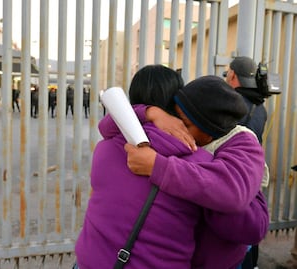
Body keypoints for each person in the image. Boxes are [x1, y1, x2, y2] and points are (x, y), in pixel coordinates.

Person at [75, 66, 268, 268]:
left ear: (209, 130)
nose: (183, 129)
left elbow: (249, 220)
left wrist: (157, 165)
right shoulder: (198, 160)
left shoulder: (106, 147)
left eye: (186, 123)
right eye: (178, 119)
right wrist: (151, 112)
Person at [224, 56, 271, 269]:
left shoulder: (232, 104)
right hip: (252, 177)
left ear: (233, 75)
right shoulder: (260, 107)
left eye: (227, 72)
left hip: (231, 180)